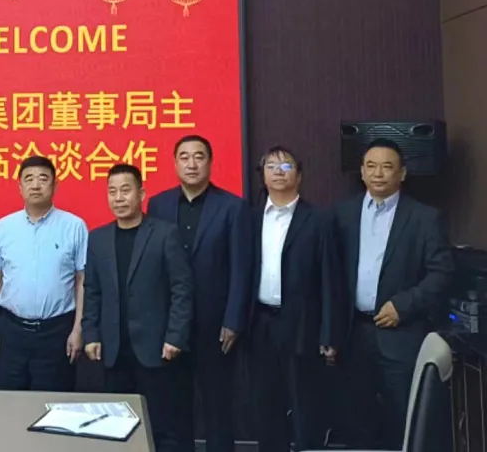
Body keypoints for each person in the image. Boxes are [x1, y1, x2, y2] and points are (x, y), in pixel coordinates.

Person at [333, 138, 454, 449]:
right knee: (355, 420)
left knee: (404, 419)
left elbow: (441, 273)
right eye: (371, 166)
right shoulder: (341, 214)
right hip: (352, 334)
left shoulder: (425, 217)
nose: (378, 173)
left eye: (387, 167)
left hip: (401, 335)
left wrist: (403, 306)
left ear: (402, 173)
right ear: (362, 172)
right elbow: (329, 274)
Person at [147, 134, 250, 452]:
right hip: (171, 325)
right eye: (184, 157)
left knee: (217, 406)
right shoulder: (159, 205)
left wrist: (233, 320)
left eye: (199, 157)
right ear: (175, 163)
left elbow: (241, 268)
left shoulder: (233, 207)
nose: (191, 164)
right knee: (175, 406)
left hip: (215, 325)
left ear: (210, 162)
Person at [81, 163, 193, 452]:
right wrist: (90, 334)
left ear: (141, 194)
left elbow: (181, 289)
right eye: (112, 192)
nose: (119, 198)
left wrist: (175, 336)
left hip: (156, 349)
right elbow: (92, 291)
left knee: (162, 428)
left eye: (125, 190)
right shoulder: (98, 238)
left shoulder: (164, 234)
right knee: (117, 427)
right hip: (114, 350)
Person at [246, 147, 344, 452]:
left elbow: (331, 280)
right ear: (262, 175)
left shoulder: (318, 220)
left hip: (303, 326)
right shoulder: (249, 218)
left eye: (286, 166)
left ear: (299, 176)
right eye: (271, 166)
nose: (278, 171)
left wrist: (329, 334)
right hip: (260, 324)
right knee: (265, 407)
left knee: (305, 408)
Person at [0, 156, 88, 392]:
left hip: (57, 332)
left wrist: (77, 329)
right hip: (11, 331)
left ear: (54, 185)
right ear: (20, 186)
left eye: (43, 179)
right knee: (8, 402)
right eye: (28, 179)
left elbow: (82, 281)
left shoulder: (74, 226)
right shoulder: (3, 227)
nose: (35, 185)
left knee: (53, 402)